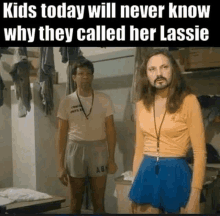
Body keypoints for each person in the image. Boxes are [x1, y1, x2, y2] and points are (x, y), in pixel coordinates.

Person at [129, 49, 207, 214]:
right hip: (146, 174)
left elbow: (200, 153)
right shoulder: (141, 104)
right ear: (146, 74)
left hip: (176, 174)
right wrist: (134, 188)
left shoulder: (189, 101)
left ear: (173, 70)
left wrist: (195, 195)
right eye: (152, 69)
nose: (159, 73)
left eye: (164, 67)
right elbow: (138, 151)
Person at [56, 58, 118, 214]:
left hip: (98, 150)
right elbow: (61, 135)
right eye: (81, 73)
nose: (85, 77)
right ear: (74, 77)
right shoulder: (66, 101)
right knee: (75, 202)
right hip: (75, 150)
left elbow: (111, 130)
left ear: (92, 76)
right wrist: (60, 166)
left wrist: (111, 159)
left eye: (88, 74)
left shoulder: (104, 99)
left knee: (99, 202)